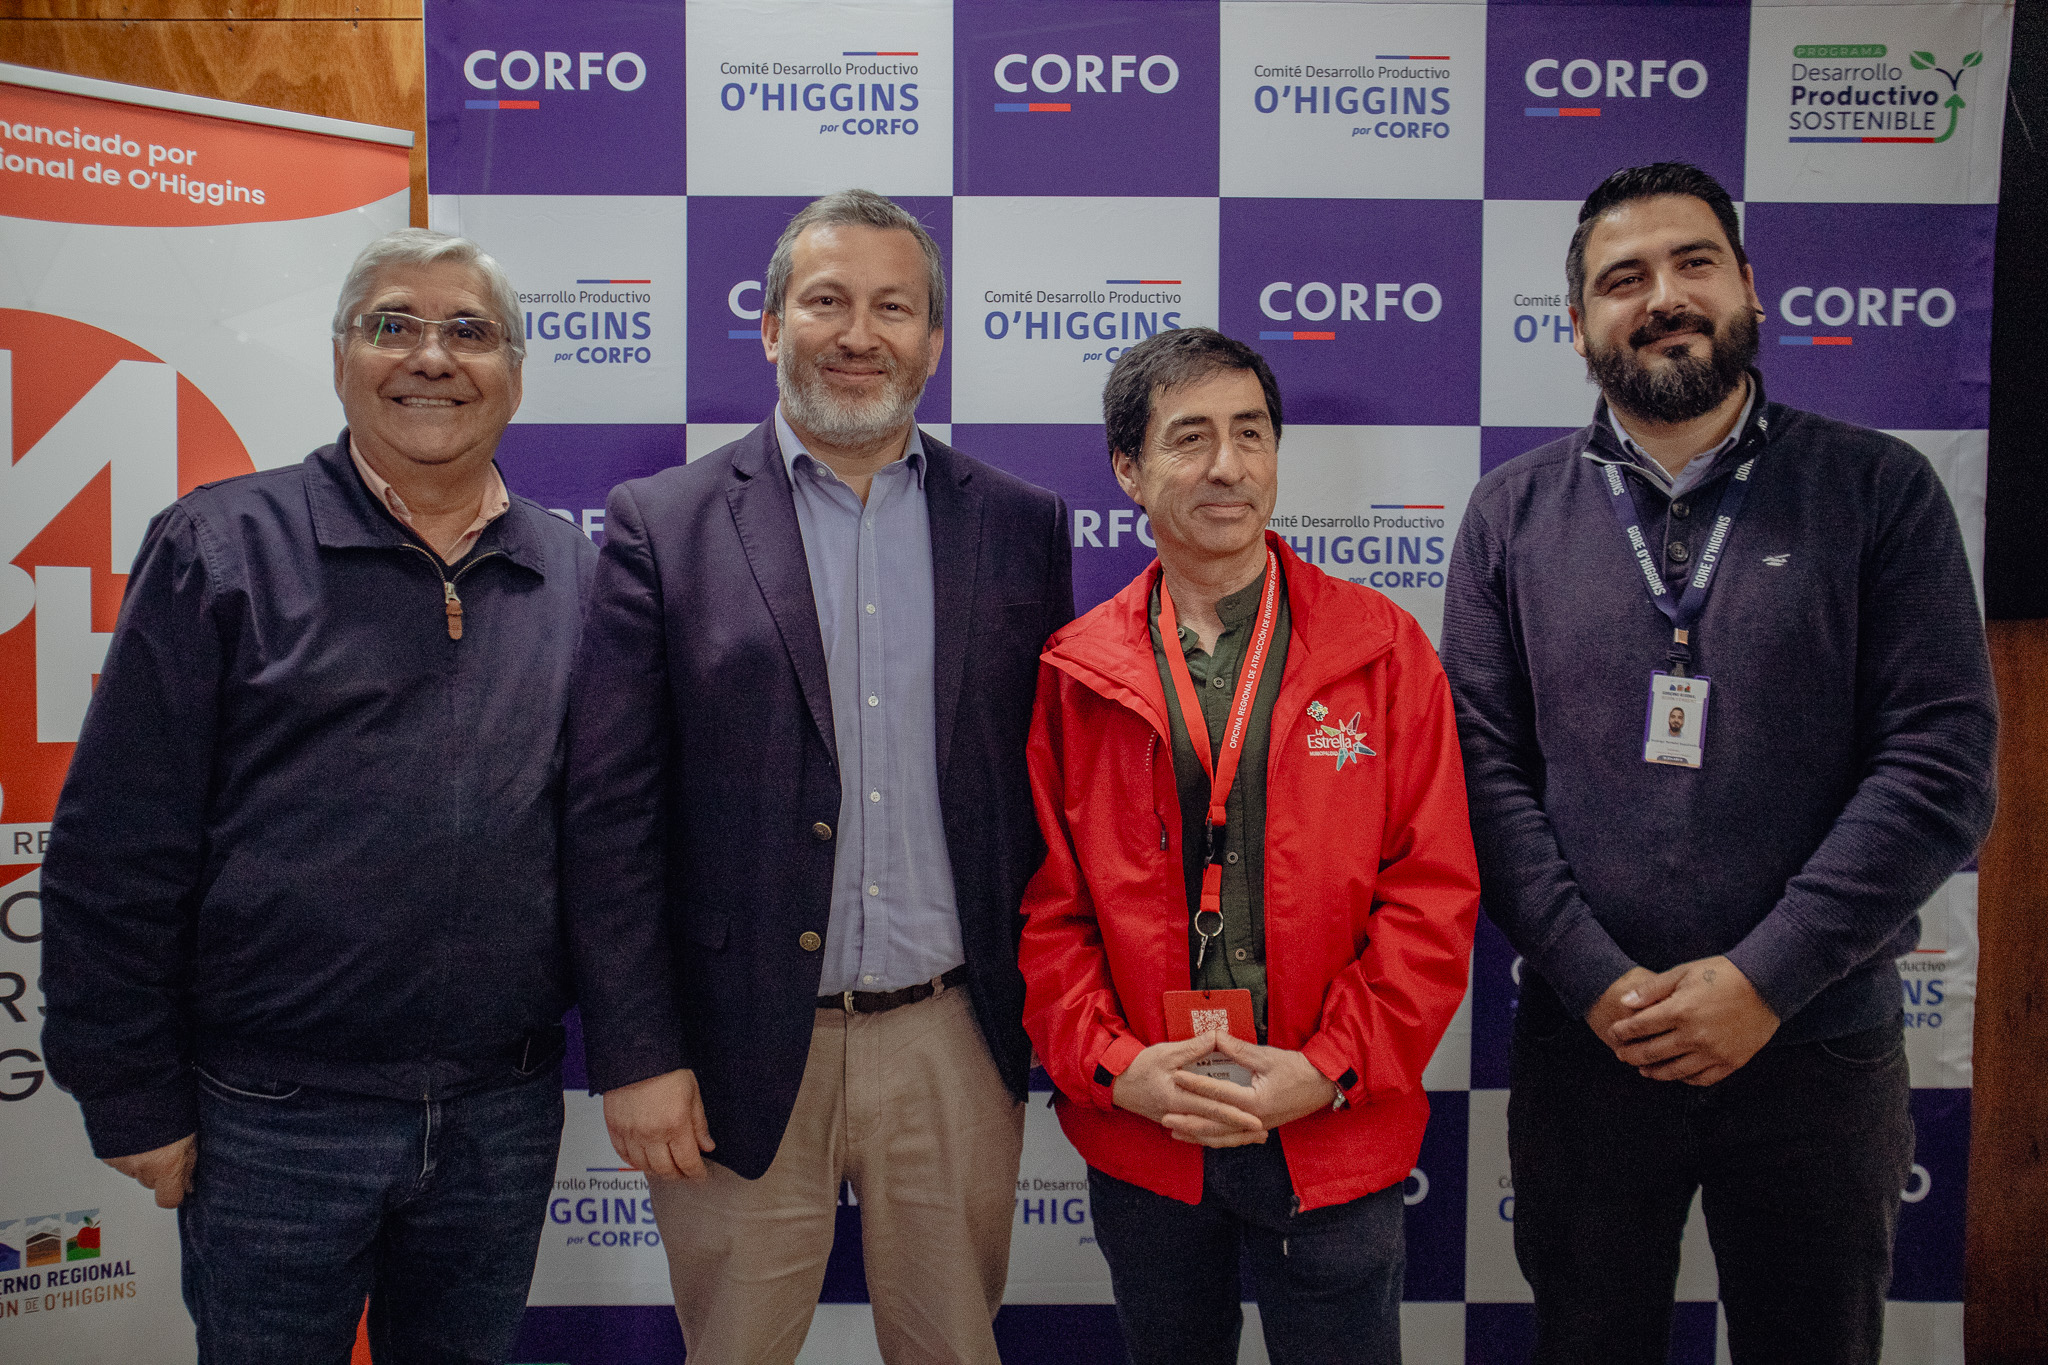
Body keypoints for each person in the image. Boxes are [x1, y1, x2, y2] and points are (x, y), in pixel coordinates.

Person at [1440, 162, 1997, 1363]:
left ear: (1746, 284)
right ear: (1576, 323)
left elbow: (1940, 764)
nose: (1661, 297)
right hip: (1590, 1044)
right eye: (1621, 279)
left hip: (1815, 1040)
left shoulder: (1879, 489)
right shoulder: (1508, 513)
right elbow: (1479, 776)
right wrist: (1597, 982)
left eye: (1691, 263)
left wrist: (1762, 978)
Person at [39, 228, 597, 1363]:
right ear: (342, 357)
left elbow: (613, 842)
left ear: (514, 373)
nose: (431, 356)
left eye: (469, 331)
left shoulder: (574, 574)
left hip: (500, 1112)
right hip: (273, 1118)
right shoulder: (221, 547)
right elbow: (116, 845)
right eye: (393, 325)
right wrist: (132, 1094)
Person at [562, 188, 1072, 1364]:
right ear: (769, 324)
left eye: (892, 308)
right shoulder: (663, 523)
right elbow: (608, 818)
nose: (857, 334)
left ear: (931, 341)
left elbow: (1049, 791)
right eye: (826, 301)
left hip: (953, 1037)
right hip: (731, 1047)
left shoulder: (1018, 526)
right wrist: (636, 1054)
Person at [1017, 327, 1479, 1365]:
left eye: (1251, 434)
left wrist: (1329, 1068)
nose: (1227, 465)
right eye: (1189, 438)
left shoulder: (1382, 649)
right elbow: (1049, 912)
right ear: (1127, 470)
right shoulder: (1074, 673)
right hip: (1150, 1127)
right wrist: (1115, 1067)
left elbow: (1433, 895)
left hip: (1329, 1124)